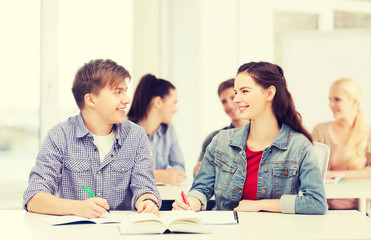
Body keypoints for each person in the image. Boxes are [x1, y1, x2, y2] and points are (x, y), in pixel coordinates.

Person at [173, 61, 327, 214]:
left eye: (244, 91)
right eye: (236, 92)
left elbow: (316, 202)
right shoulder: (221, 141)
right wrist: (191, 203)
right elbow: (200, 189)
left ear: (269, 93)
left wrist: (260, 205)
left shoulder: (299, 146)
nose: (236, 99)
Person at [23, 59, 161, 218]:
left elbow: (145, 187)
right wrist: (78, 207)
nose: (127, 99)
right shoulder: (59, 136)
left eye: (125, 91)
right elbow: (34, 198)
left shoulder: (136, 135)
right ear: (91, 100)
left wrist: (147, 202)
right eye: (118, 92)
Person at [312, 78, 371, 210]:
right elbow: (310, 167)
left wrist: (339, 174)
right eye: (330, 99)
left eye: (337, 99)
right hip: (325, 207)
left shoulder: (368, 134)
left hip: (360, 208)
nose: (331, 104)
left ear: (354, 102)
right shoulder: (320, 131)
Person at [127, 74, 186, 185]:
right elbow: (120, 173)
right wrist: (158, 175)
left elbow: (180, 167)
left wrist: (168, 174)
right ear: (158, 102)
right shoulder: (125, 130)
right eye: (173, 103)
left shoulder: (169, 131)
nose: (175, 110)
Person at [194, 79, 249, 176]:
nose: (229, 105)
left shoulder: (261, 134)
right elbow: (199, 175)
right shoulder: (214, 138)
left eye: (232, 97)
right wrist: (198, 170)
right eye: (224, 101)